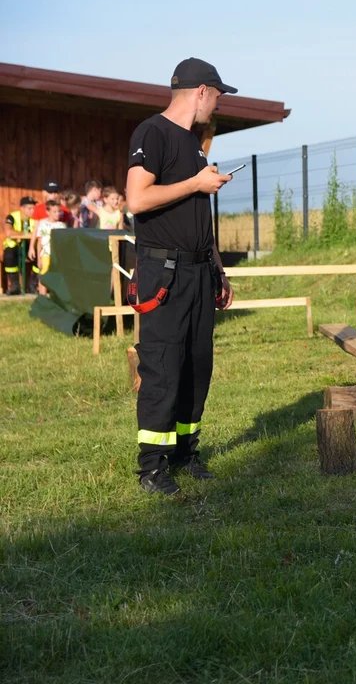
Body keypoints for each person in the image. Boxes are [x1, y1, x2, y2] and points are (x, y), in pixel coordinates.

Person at [125, 57, 237, 495]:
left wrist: (218, 269)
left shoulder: (193, 145)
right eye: (218, 95)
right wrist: (195, 184)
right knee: (164, 366)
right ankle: (152, 468)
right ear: (202, 91)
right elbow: (137, 198)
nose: (218, 104)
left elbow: (196, 215)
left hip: (198, 272)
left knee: (196, 365)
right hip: (164, 273)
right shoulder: (152, 132)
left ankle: (185, 454)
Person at [32, 200, 67, 295]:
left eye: (58, 211)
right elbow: (39, 242)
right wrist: (39, 258)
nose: (57, 214)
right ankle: (42, 296)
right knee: (44, 272)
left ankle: (56, 295)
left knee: (57, 274)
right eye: (54, 212)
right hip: (46, 253)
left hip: (57, 255)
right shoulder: (42, 224)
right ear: (48, 212)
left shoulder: (61, 226)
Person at [3, 197, 36, 295]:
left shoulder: (35, 218)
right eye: (29, 208)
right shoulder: (12, 217)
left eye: (33, 208)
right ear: (22, 208)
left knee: (39, 255)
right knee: (9, 255)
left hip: (30, 246)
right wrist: (25, 234)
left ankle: (33, 284)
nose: (32, 211)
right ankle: (15, 285)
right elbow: (8, 232)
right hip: (15, 247)